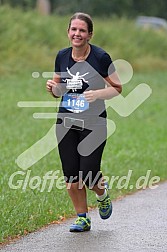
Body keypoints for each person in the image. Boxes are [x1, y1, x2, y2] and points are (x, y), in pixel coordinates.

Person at [46, 12, 122, 232]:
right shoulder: (62, 56)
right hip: (66, 122)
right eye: (73, 29)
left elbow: (117, 88)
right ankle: (82, 218)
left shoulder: (100, 57)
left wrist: (97, 94)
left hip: (94, 123)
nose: (77, 34)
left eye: (81, 30)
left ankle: (102, 194)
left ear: (89, 34)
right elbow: (59, 89)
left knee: (89, 174)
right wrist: (53, 89)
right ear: (68, 32)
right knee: (71, 175)